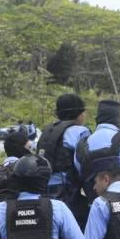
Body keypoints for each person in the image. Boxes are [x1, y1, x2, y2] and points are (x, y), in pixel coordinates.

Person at [38, 93, 91, 227]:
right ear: (78, 113)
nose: (84, 115)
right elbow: (85, 166)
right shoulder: (80, 131)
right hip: (67, 193)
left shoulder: (47, 131)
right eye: (83, 112)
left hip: (43, 192)